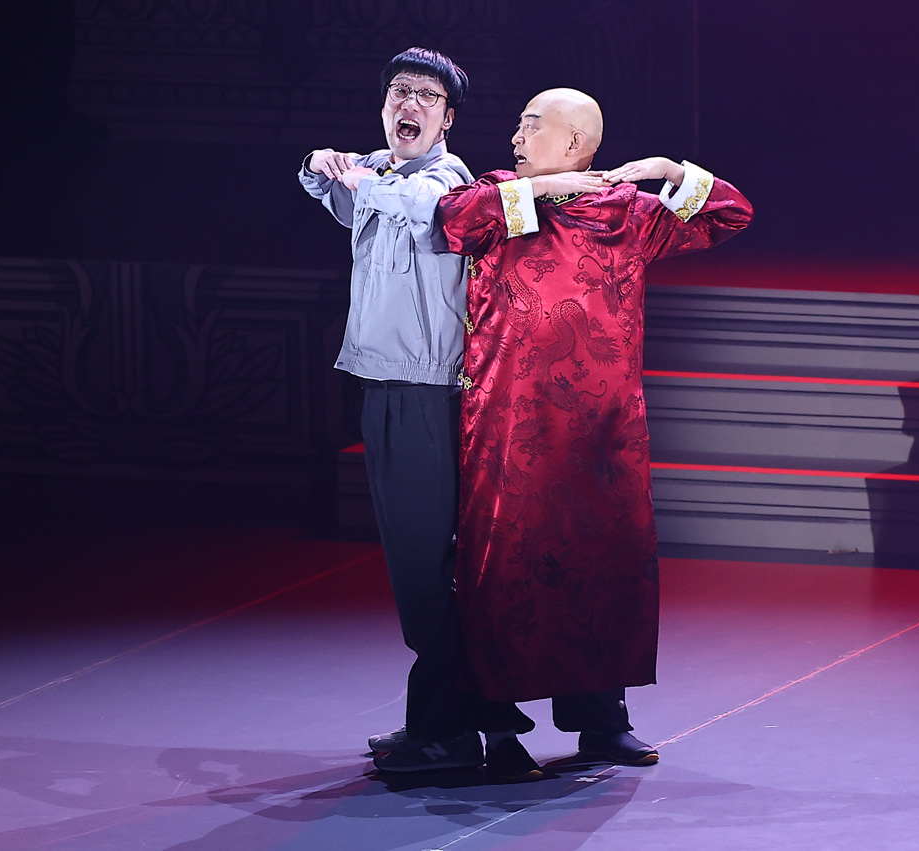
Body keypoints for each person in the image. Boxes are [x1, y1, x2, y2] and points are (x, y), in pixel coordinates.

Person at [436, 88, 754, 771]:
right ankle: (497, 729)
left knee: (601, 567)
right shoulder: (503, 197)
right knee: (505, 566)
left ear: (576, 142)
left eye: (531, 125)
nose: (516, 137)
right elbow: (454, 222)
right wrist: (543, 187)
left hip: (601, 429)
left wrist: (670, 171)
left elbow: (731, 213)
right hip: (511, 422)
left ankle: (602, 721)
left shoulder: (627, 214)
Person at [299, 47, 525, 776]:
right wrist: (323, 162)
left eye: (428, 96)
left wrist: (358, 174)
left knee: (429, 568)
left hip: (426, 392)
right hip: (382, 385)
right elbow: (327, 186)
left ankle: (454, 733)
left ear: (448, 118)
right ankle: (443, 720)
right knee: (413, 566)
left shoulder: (447, 183)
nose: (411, 104)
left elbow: (412, 205)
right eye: (400, 91)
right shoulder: (383, 174)